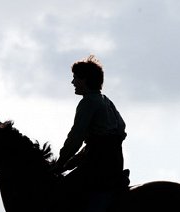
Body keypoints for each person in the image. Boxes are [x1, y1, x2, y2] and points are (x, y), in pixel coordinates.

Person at [54, 55, 128, 193]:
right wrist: (72, 161)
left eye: (75, 77)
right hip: (115, 163)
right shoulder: (106, 101)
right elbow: (108, 139)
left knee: (61, 191)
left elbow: (76, 137)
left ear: (85, 79)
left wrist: (60, 162)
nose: (72, 82)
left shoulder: (87, 103)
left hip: (98, 164)